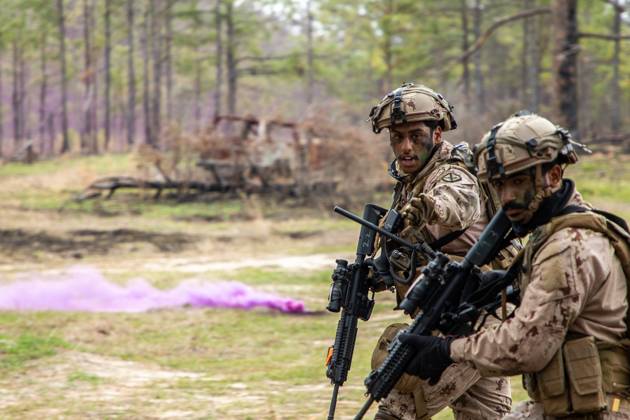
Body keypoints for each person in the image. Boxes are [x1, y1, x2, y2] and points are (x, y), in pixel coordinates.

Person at [398, 112, 630, 419]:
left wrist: (446, 350)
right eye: (498, 184)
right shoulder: (558, 233)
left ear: (554, 175)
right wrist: (493, 283)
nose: (506, 197)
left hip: (598, 409)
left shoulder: (568, 246)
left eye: (518, 182)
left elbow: (524, 347)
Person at [366, 83, 513, 420]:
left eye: (415, 136)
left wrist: (429, 207)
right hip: (465, 316)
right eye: (397, 137)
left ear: (436, 134)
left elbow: (460, 201)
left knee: (400, 406)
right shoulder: (412, 181)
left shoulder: (451, 173)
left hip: (469, 316)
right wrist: (375, 273)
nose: (405, 147)